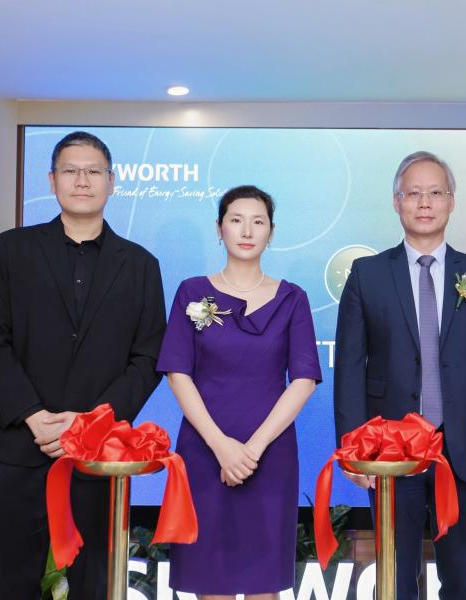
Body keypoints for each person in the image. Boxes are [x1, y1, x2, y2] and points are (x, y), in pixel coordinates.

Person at [0, 131, 166, 599]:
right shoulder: (13, 249)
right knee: (10, 584)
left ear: (112, 181)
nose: (82, 181)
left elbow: (149, 357)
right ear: (52, 180)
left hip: (98, 457)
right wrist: (33, 414)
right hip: (16, 444)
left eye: (93, 171)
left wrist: (90, 423)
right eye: (70, 171)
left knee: (96, 584)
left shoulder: (141, 265)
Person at [334, 151, 466, 599]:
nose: (424, 202)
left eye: (435, 192)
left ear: (451, 201)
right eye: (413, 193)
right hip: (389, 450)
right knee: (396, 578)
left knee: (463, 578)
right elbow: (350, 369)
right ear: (396, 202)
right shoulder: (367, 274)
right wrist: (354, 450)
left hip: (464, 449)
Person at [157, 185, 321, 599]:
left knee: (264, 584)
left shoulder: (292, 298)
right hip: (204, 450)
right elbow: (177, 374)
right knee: (210, 582)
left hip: (270, 454)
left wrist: (252, 450)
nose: (247, 231)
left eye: (258, 221)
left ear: (271, 232)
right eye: (236, 220)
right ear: (219, 229)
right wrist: (221, 446)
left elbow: (303, 380)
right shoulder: (192, 292)